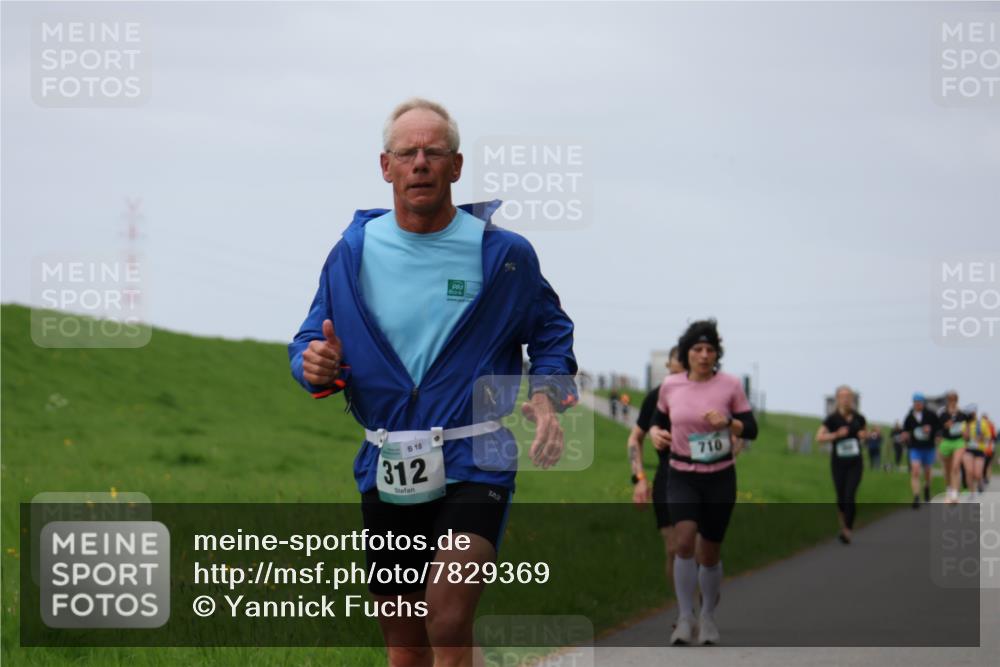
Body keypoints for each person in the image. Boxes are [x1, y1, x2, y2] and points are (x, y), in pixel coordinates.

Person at [288, 98, 578, 667]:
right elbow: (308, 340)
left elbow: (551, 331)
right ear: (385, 166)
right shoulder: (351, 253)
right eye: (407, 152)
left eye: (434, 152)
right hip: (388, 459)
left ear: (456, 166)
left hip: (476, 452)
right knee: (404, 639)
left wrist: (547, 398)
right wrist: (312, 363)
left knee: (446, 615)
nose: (420, 162)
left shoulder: (505, 256)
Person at [650, 320, 758, 646]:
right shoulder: (670, 386)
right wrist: (656, 433)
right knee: (683, 542)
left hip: (720, 476)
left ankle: (708, 616)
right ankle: (685, 617)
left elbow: (750, 428)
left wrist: (728, 422)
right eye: (697, 349)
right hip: (682, 473)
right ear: (687, 353)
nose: (704, 354)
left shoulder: (730, 385)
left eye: (710, 349)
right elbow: (657, 421)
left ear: (716, 354)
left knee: (709, 552)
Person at [628, 347, 684, 619]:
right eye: (672, 372)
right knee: (673, 548)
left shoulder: (708, 396)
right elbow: (633, 439)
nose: (675, 378)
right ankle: (685, 611)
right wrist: (639, 479)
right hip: (667, 478)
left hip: (703, 478)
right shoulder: (658, 397)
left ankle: (703, 606)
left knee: (698, 549)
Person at [816, 386, 868, 544]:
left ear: (852, 399)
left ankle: (847, 530)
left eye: (848, 396)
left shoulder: (859, 418)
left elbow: (866, 435)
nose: (845, 399)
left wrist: (863, 435)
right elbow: (819, 437)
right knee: (840, 497)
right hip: (838, 463)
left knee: (849, 495)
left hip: (855, 462)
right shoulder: (832, 419)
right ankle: (843, 527)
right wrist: (836, 435)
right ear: (837, 398)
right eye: (842, 396)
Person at [902, 393, 940, 509]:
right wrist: (905, 436)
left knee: (928, 471)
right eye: (915, 402)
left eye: (919, 402)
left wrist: (931, 430)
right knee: (915, 471)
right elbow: (906, 431)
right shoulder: (909, 417)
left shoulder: (931, 415)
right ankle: (916, 497)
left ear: (923, 403)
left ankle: (927, 487)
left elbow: (939, 428)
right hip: (915, 448)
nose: (917, 404)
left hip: (928, 447)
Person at [937, 391, 971, 504]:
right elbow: (940, 426)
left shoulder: (962, 413)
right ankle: (949, 489)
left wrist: (967, 433)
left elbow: (967, 425)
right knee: (947, 469)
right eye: (950, 399)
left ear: (957, 400)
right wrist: (947, 425)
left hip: (959, 441)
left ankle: (955, 495)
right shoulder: (943, 413)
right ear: (947, 400)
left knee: (955, 466)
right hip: (946, 442)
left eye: (954, 399)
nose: (952, 402)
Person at [962, 405, 996, 500]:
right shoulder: (964, 424)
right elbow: (965, 438)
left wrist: (982, 438)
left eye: (970, 414)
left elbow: (989, 437)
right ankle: (971, 493)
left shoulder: (983, 423)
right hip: (968, 449)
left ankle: (980, 482)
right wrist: (968, 425)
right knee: (969, 471)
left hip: (979, 450)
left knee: (977, 473)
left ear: (974, 413)